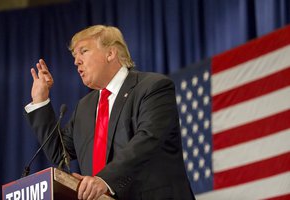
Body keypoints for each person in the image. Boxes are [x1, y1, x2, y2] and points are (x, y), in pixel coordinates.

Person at [25, 25, 196, 200]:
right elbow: (60, 154)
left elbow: (148, 139)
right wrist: (40, 100)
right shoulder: (84, 107)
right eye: (74, 56)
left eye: (83, 51)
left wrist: (104, 180)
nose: (76, 61)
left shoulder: (152, 87)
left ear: (110, 53)